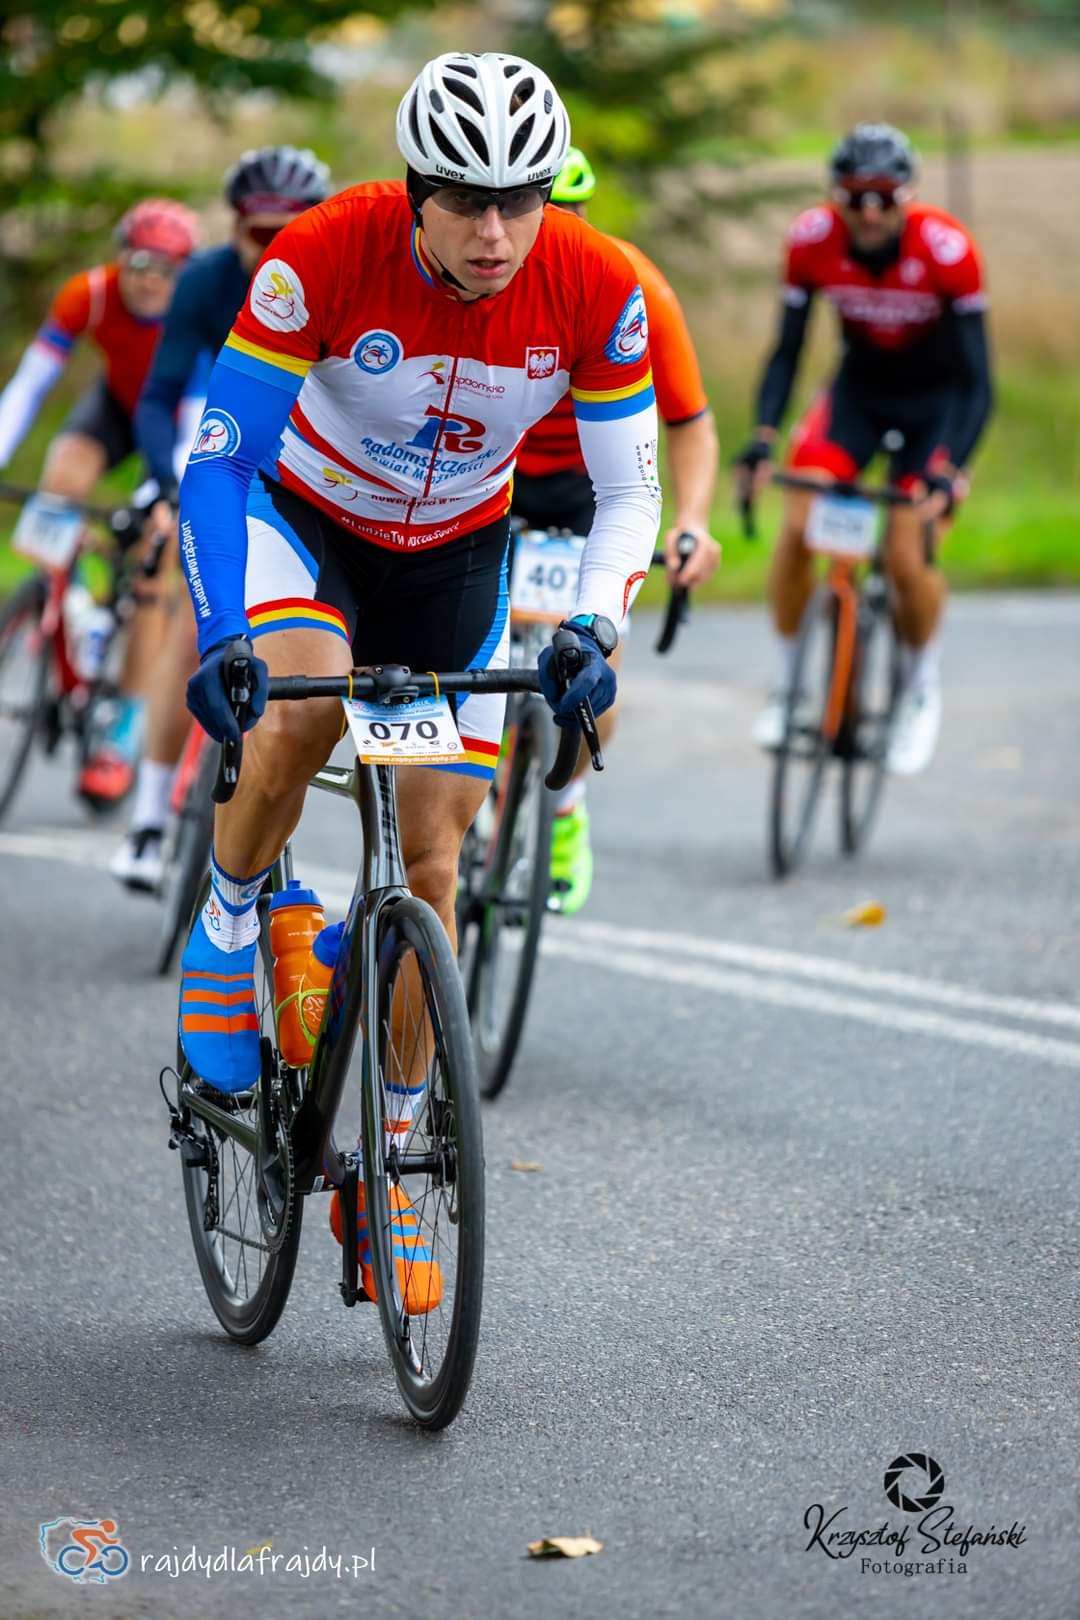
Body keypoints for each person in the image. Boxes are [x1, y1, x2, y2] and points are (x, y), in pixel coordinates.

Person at [175, 52, 662, 1311]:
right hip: (307, 527)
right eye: (465, 201)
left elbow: (628, 492)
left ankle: (396, 1152)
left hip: (456, 554)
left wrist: (595, 627)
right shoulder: (323, 253)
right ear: (412, 191)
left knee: (434, 861)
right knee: (303, 712)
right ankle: (229, 923)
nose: (495, 232)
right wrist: (222, 633)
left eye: (521, 199)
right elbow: (220, 463)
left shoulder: (596, 283)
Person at [734, 123, 993, 775]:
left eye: (884, 198)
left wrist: (951, 468)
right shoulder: (810, 240)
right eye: (855, 197)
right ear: (835, 197)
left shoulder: (947, 250)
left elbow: (979, 382)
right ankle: (790, 688)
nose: (869, 212)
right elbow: (788, 351)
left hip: (936, 405)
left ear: (907, 197)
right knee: (799, 524)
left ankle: (920, 689)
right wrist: (763, 438)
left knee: (907, 555)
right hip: (859, 398)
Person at [110, 148, 332, 888]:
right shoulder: (206, 281)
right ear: (233, 229)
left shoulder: (338, 271)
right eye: (259, 235)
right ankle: (149, 819)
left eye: (289, 232)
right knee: (195, 623)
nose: (274, 249)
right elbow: (158, 393)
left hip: (314, 468)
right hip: (225, 452)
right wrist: (162, 485)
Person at [513, 144, 721, 912]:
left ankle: (566, 809)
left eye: (573, 211)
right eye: (546, 210)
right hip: (497, 476)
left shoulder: (633, 283)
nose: (559, 226)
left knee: (593, 668)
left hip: (593, 488)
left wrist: (692, 522)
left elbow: (690, 421)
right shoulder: (488, 274)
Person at [0, 199, 200, 802]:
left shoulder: (194, 313)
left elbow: (193, 424)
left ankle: (122, 730)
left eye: (165, 270)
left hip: (173, 424)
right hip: (113, 409)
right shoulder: (88, 294)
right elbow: (29, 386)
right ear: (120, 260)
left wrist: (161, 494)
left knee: (155, 553)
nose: (149, 280)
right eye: (139, 264)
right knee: (60, 482)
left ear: (183, 274)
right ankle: (74, 604)